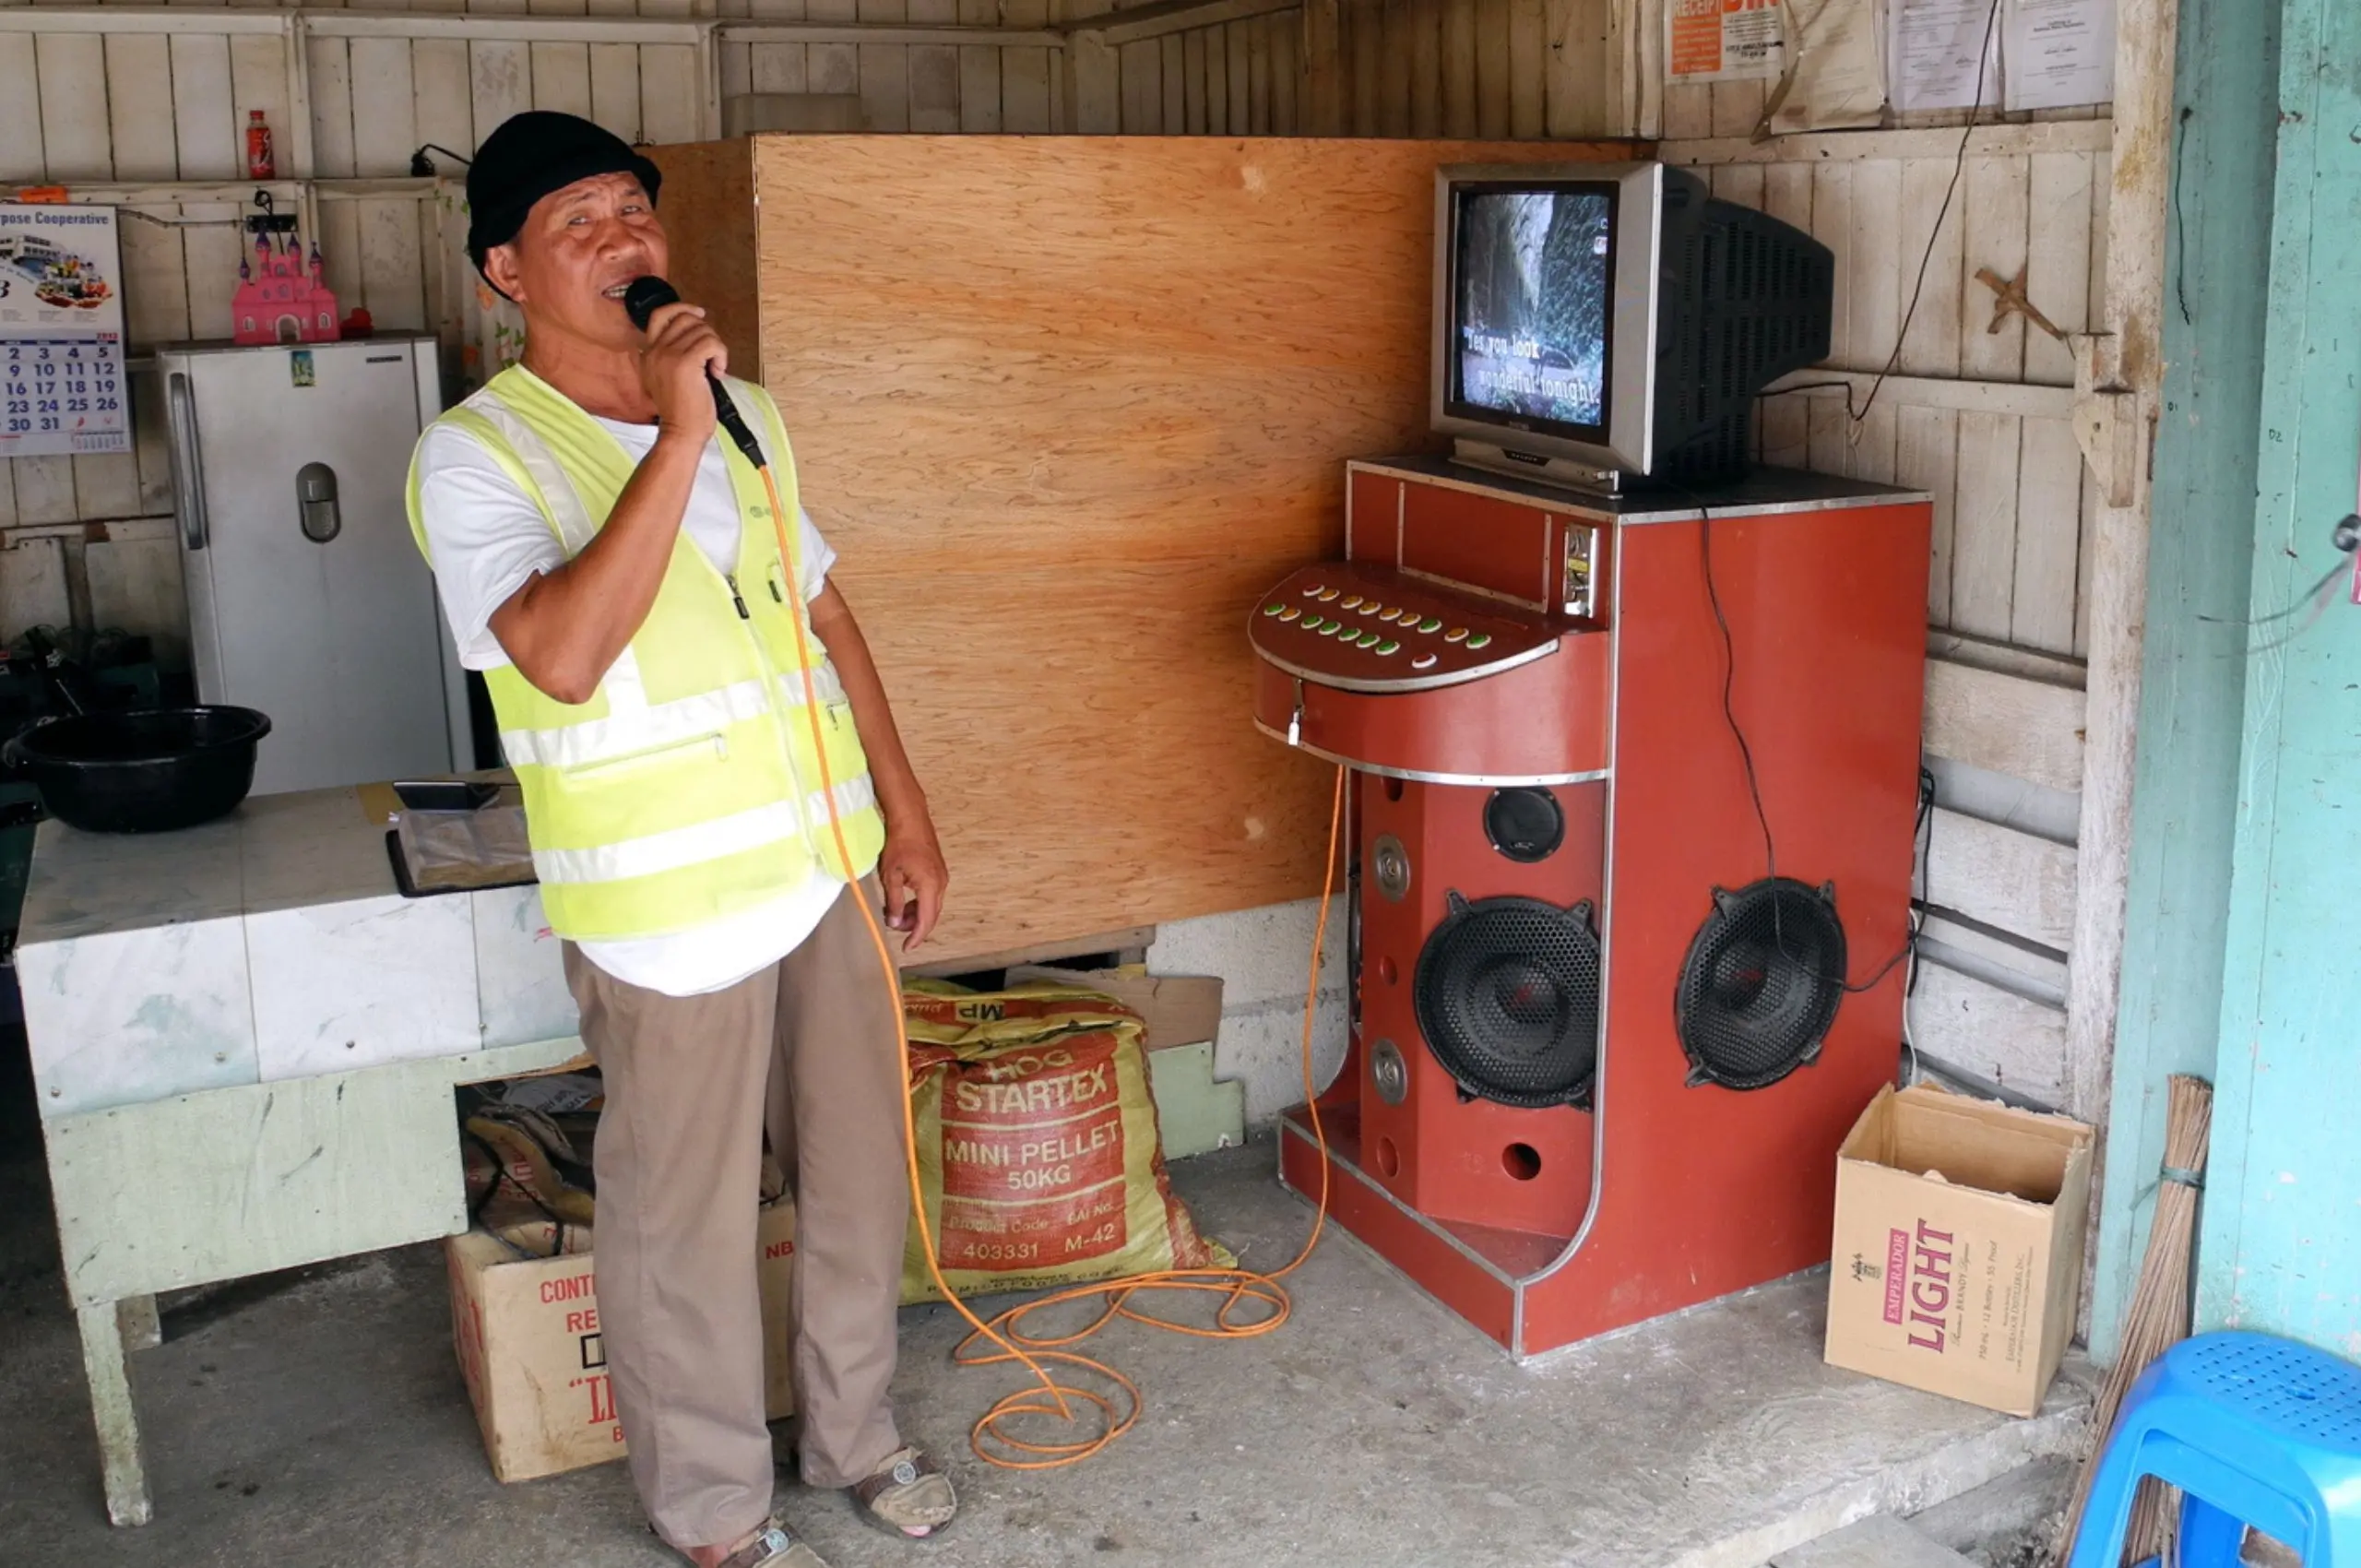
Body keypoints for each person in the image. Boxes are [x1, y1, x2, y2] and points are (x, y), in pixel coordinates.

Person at [405, 110, 955, 1568]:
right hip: (668, 909)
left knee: (857, 1179)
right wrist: (677, 431)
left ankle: (856, 1437)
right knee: (683, 1227)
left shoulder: (752, 411)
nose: (621, 242)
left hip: (822, 874)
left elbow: (824, 615)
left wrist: (905, 812)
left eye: (633, 212)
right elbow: (564, 653)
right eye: (574, 223)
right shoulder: (476, 459)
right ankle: (714, 1512)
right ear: (505, 276)